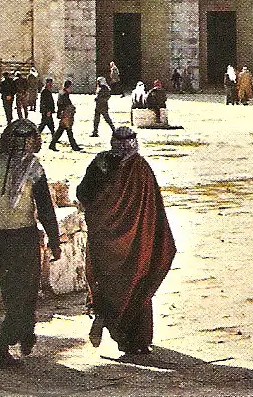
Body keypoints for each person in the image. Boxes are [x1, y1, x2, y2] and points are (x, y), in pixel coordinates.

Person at [77, 125, 175, 356]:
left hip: (105, 241)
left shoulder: (100, 163)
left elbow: (83, 194)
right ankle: (136, 340)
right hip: (136, 242)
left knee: (109, 284)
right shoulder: (141, 169)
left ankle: (110, 323)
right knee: (136, 284)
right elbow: (153, 210)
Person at [0, 119, 62, 368]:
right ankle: (2, 348)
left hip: (0, 238)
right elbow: (45, 207)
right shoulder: (34, 168)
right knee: (24, 294)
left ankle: (24, 332)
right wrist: (55, 240)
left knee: (14, 293)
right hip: (23, 238)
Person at [55, 80, 78, 149]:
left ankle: (52, 144)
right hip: (66, 114)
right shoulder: (65, 94)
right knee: (68, 130)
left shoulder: (62, 92)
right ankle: (74, 146)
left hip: (64, 114)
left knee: (61, 130)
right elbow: (66, 104)